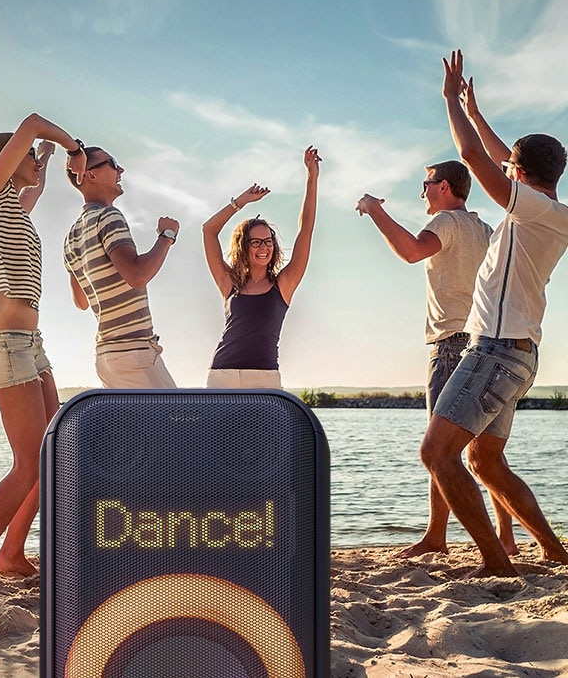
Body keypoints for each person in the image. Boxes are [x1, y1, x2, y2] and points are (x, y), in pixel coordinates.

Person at [420, 50, 568, 576]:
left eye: (512, 168)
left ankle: (495, 563)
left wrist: (451, 103)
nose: (506, 169)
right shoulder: (552, 210)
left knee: (437, 455)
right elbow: (502, 156)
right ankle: (553, 549)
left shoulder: (530, 208)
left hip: (496, 349)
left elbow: (471, 155)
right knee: (485, 462)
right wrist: (479, 112)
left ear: (521, 174)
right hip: (519, 354)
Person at [355, 161, 516, 557]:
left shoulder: (446, 221)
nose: (423, 192)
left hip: (451, 344)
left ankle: (435, 537)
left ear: (443, 186)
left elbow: (411, 251)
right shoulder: (483, 229)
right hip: (487, 342)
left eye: (425, 184)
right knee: (485, 451)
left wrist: (376, 210)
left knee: (439, 446)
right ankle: (506, 535)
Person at [0, 116, 87, 581]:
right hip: (4, 344)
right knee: (28, 460)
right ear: (3, 162)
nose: (32, 160)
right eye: (26, 156)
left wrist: (47, 162)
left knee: (55, 452)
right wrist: (73, 145)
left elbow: (32, 190)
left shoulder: (9, 206)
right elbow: (31, 122)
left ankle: (11, 553)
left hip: (32, 343)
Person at [202, 146, 321, 388]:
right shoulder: (230, 284)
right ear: (243, 246)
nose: (263, 247)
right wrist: (240, 202)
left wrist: (312, 178)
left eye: (268, 241)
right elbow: (209, 231)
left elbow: (305, 230)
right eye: (256, 242)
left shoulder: (283, 285)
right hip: (222, 375)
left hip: (265, 378)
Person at [64, 145, 178, 388]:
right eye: (113, 163)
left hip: (106, 358)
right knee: (177, 424)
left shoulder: (71, 235)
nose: (121, 169)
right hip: (134, 352)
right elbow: (138, 276)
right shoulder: (108, 217)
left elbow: (82, 302)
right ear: (90, 175)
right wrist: (167, 236)